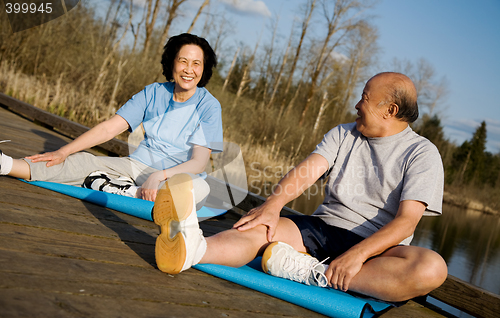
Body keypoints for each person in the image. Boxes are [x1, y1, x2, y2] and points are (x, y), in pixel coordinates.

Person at [152, 72, 448, 302]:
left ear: (390, 109)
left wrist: (356, 255)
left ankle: (313, 272)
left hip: (376, 250)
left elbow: (406, 222)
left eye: (365, 98)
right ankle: (193, 249)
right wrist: (272, 206)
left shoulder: (422, 153)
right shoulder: (344, 133)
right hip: (322, 229)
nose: (357, 104)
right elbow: (306, 172)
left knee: (432, 268)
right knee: (260, 228)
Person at [0, 33, 223, 204]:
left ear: (204, 69)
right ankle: (6, 164)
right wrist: (63, 151)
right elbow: (108, 129)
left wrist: (159, 176)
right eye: (183, 61)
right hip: (136, 166)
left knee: (195, 190)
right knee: (83, 162)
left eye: (196, 64)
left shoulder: (209, 106)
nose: (189, 70)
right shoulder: (153, 92)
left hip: (176, 177)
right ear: (172, 63)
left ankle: (122, 188)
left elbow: (198, 162)